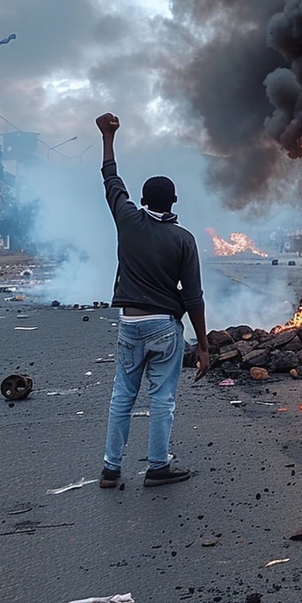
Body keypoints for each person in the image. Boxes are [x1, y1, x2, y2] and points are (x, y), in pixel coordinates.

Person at [95, 112, 210, 489]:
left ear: (142, 200)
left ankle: (111, 469)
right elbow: (193, 298)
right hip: (165, 328)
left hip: (130, 324)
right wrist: (204, 346)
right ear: (174, 202)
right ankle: (157, 466)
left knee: (122, 396)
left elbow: (111, 179)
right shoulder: (183, 239)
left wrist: (107, 136)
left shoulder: (127, 218)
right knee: (162, 399)